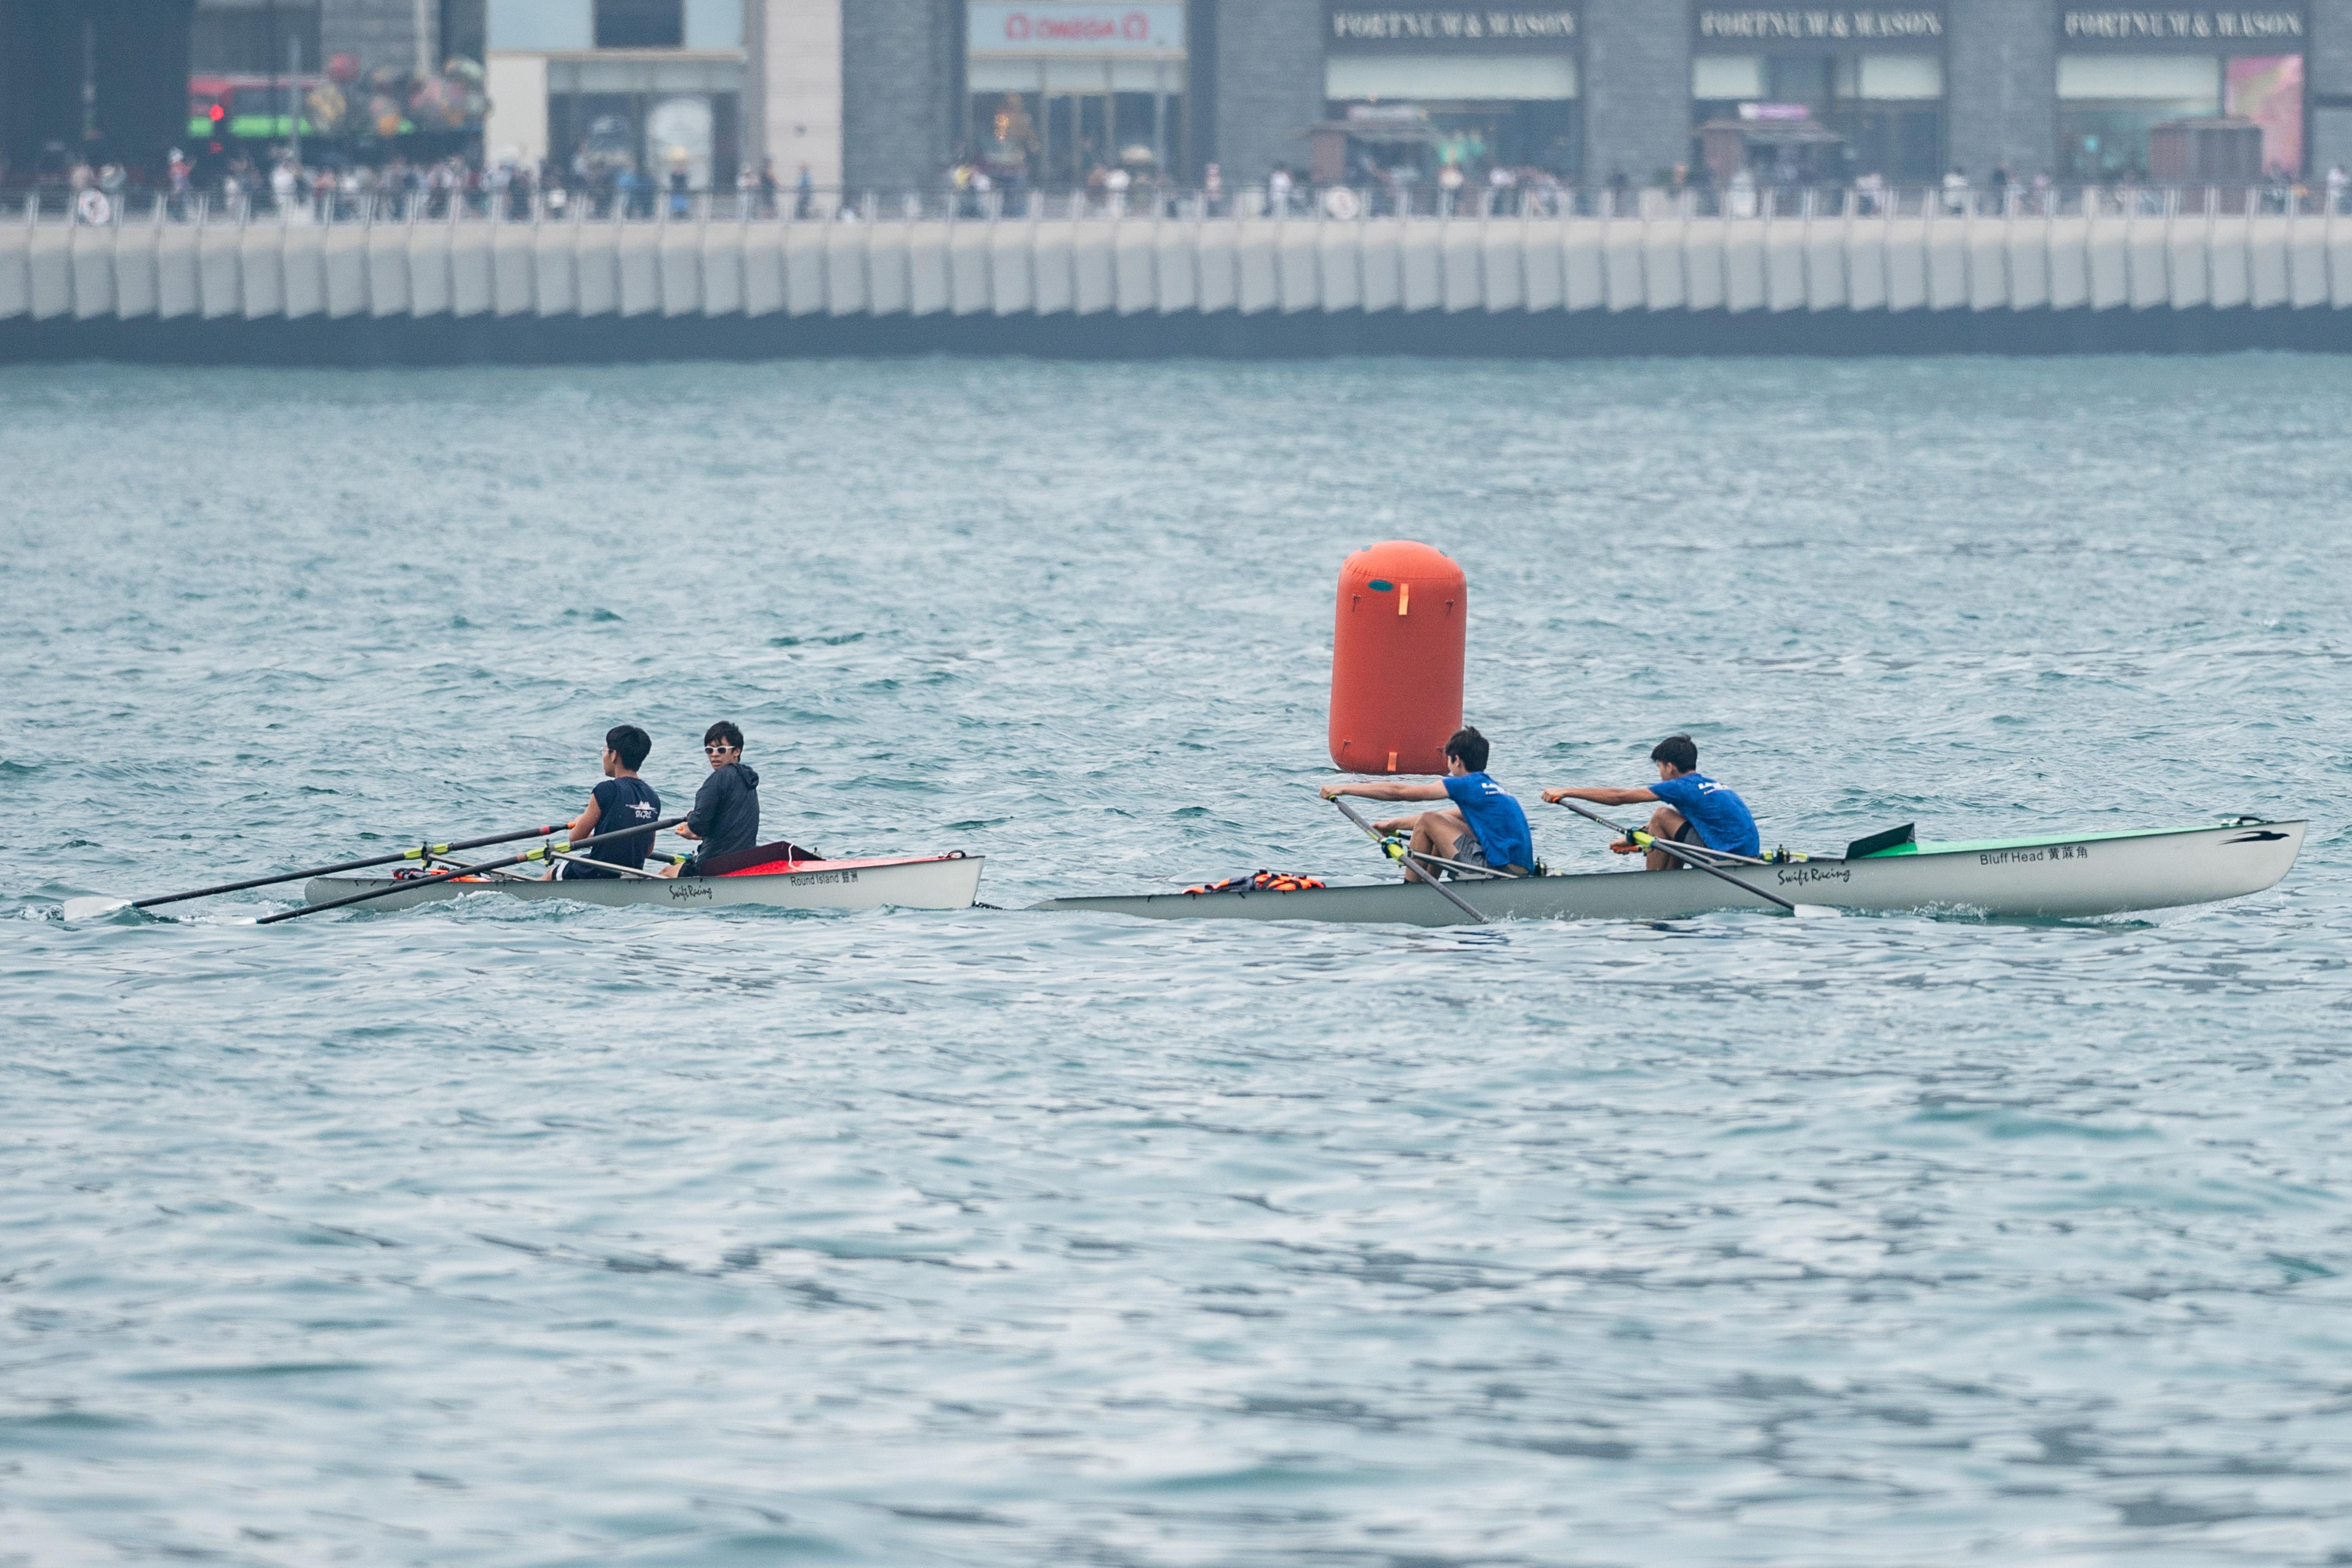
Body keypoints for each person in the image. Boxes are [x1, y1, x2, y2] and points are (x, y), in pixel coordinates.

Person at [1319, 727, 1535, 881]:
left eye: (1448, 761)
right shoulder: (1493, 789)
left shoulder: (1466, 784)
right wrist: (1391, 825)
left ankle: (1411, 891)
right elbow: (1449, 817)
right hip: (1519, 872)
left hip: (1499, 872)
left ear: (1457, 760)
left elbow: (1401, 792)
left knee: (1428, 819)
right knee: (1438, 822)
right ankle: (1425, 888)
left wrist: (1344, 789)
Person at [1542, 734, 1758, 870]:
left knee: (1661, 815)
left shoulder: (1679, 786)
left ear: (1670, 767)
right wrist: (1633, 841)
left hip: (1726, 859)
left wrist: (1566, 791)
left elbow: (1619, 797)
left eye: (1659, 767)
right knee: (1663, 819)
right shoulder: (1711, 785)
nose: (1660, 774)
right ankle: (1670, 882)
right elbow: (1674, 828)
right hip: (1746, 857)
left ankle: (1653, 884)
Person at [548, 725, 662, 880]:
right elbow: (647, 850)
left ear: (614, 755)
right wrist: (602, 839)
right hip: (633, 874)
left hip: (596, 871)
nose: (604, 757)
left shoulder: (606, 790)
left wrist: (580, 822)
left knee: (550, 874)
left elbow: (575, 839)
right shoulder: (653, 796)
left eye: (605, 751)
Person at [658, 722, 761, 877]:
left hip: (714, 865)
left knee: (666, 872)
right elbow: (728, 827)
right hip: (744, 862)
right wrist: (700, 833)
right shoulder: (748, 781)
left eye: (721, 749)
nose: (714, 755)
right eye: (709, 750)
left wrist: (691, 819)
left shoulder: (719, 778)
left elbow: (698, 825)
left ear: (737, 751)